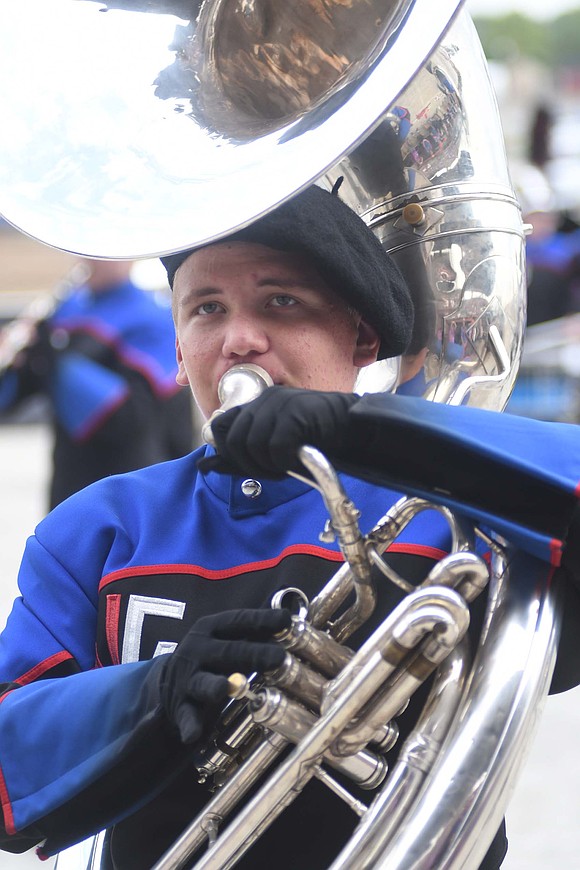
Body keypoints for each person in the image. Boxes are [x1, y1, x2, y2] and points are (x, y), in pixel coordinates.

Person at [0, 185, 580, 870]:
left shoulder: (447, 512)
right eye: (206, 309)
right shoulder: (99, 527)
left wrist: (368, 432)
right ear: (180, 350)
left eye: (282, 302)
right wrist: (153, 691)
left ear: (362, 336)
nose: (239, 339)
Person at [0, 258, 194, 508]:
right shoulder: (66, 307)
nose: (93, 258)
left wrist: (52, 356)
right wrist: (19, 360)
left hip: (135, 486)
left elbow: (129, 416)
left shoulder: (154, 316)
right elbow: (10, 398)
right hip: (70, 482)